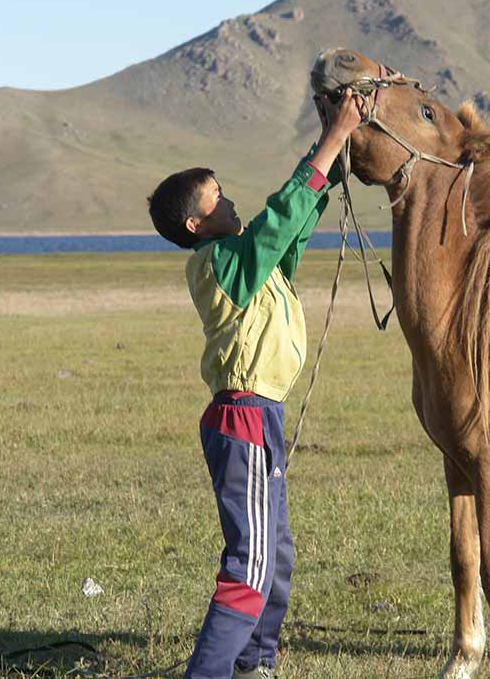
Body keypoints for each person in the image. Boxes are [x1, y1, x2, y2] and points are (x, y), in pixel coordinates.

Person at [147, 89, 363, 679]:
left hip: (260, 418)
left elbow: (288, 232)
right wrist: (331, 140)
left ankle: (254, 664)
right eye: (217, 198)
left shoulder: (247, 260)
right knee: (249, 565)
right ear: (195, 223)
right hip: (242, 418)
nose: (230, 199)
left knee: (276, 555)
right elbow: (273, 228)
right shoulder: (217, 263)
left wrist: (324, 170)